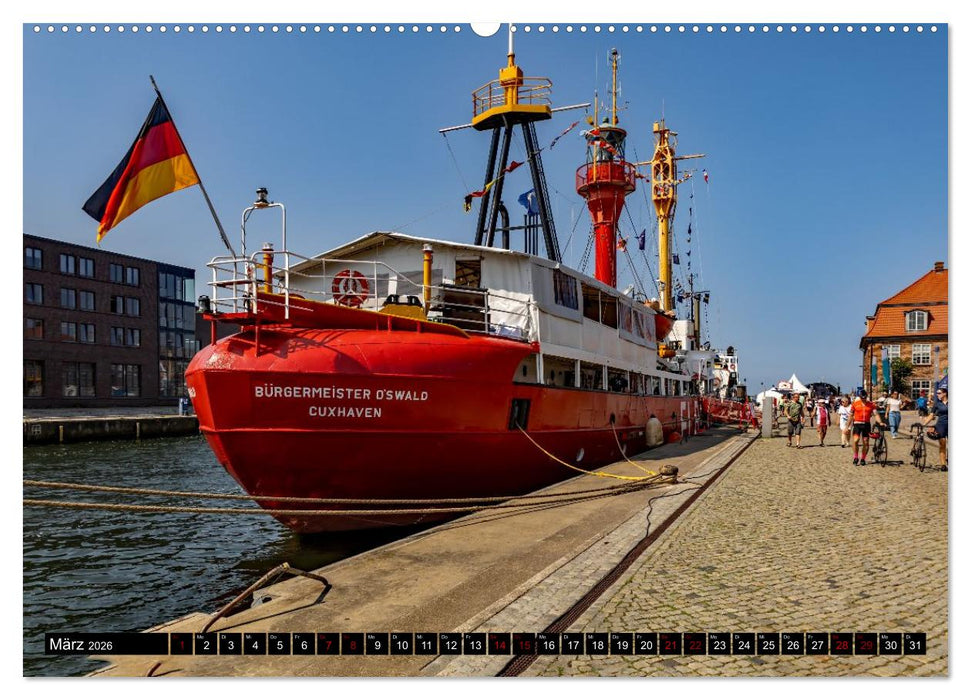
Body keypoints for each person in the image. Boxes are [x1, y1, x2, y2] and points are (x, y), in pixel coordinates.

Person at [850, 390, 885, 465]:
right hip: (857, 424)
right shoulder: (855, 404)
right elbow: (850, 415)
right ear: (859, 397)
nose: (864, 399)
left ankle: (863, 458)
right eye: (862, 398)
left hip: (866, 424)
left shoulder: (871, 405)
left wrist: (880, 422)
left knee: (865, 442)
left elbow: (876, 414)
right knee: (856, 440)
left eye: (865, 398)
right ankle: (856, 457)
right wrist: (847, 426)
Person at [923, 386, 948, 471]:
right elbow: (931, 415)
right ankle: (943, 464)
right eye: (937, 393)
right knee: (942, 443)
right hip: (941, 425)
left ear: (945, 393)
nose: (937, 395)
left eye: (939, 393)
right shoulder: (937, 404)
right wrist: (924, 423)